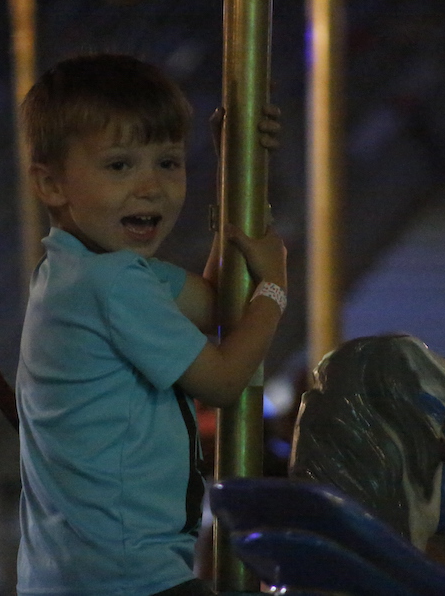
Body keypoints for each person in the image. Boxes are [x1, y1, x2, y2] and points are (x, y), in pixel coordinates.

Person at [16, 53, 287, 596]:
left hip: (81, 571)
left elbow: (215, 305)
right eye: (120, 166)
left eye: (168, 162)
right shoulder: (111, 284)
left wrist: (235, 169)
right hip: (126, 575)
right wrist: (276, 289)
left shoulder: (81, 271)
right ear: (51, 185)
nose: (151, 187)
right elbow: (223, 380)